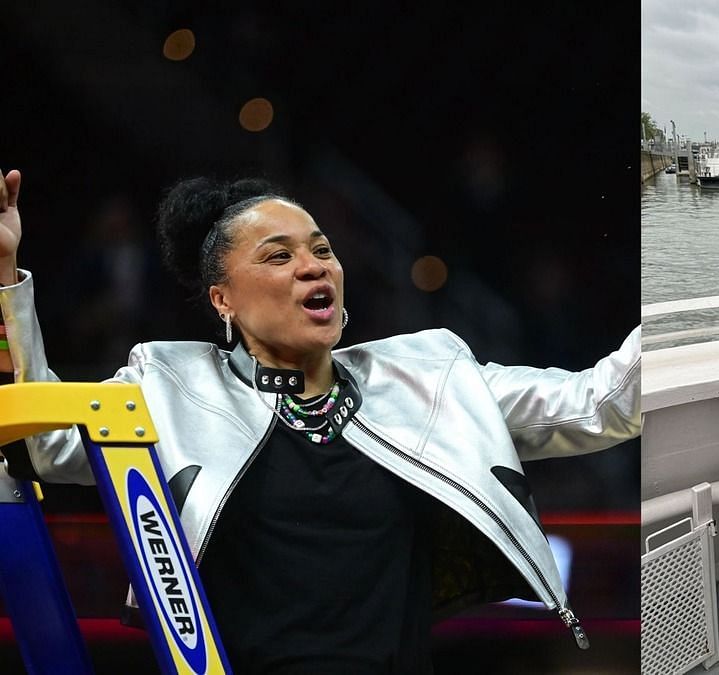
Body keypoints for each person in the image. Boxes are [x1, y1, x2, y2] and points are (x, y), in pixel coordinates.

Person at [0, 170, 641, 672]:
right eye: (278, 257)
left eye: (322, 250)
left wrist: (714, 316)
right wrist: (6, 278)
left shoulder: (429, 374)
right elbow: (46, 440)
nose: (314, 266)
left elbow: (600, 403)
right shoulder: (170, 385)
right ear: (222, 299)